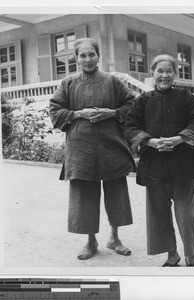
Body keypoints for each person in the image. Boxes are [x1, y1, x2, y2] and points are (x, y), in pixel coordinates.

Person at [49, 38, 136, 260]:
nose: (88, 59)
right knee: (84, 195)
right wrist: (79, 113)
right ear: (76, 58)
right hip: (81, 148)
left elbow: (132, 105)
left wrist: (112, 113)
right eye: (83, 55)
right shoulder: (68, 83)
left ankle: (114, 237)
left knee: (116, 192)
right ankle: (90, 241)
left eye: (92, 55)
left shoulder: (112, 81)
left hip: (111, 144)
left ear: (98, 56)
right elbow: (55, 110)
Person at [125, 54, 194, 267]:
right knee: (159, 214)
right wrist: (150, 142)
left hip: (184, 165)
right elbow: (130, 127)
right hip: (154, 166)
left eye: (169, 71)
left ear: (175, 74)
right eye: (160, 71)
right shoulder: (142, 101)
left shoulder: (186, 97)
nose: (164, 75)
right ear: (152, 73)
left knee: (187, 214)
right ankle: (172, 254)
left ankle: (191, 255)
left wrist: (179, 139)